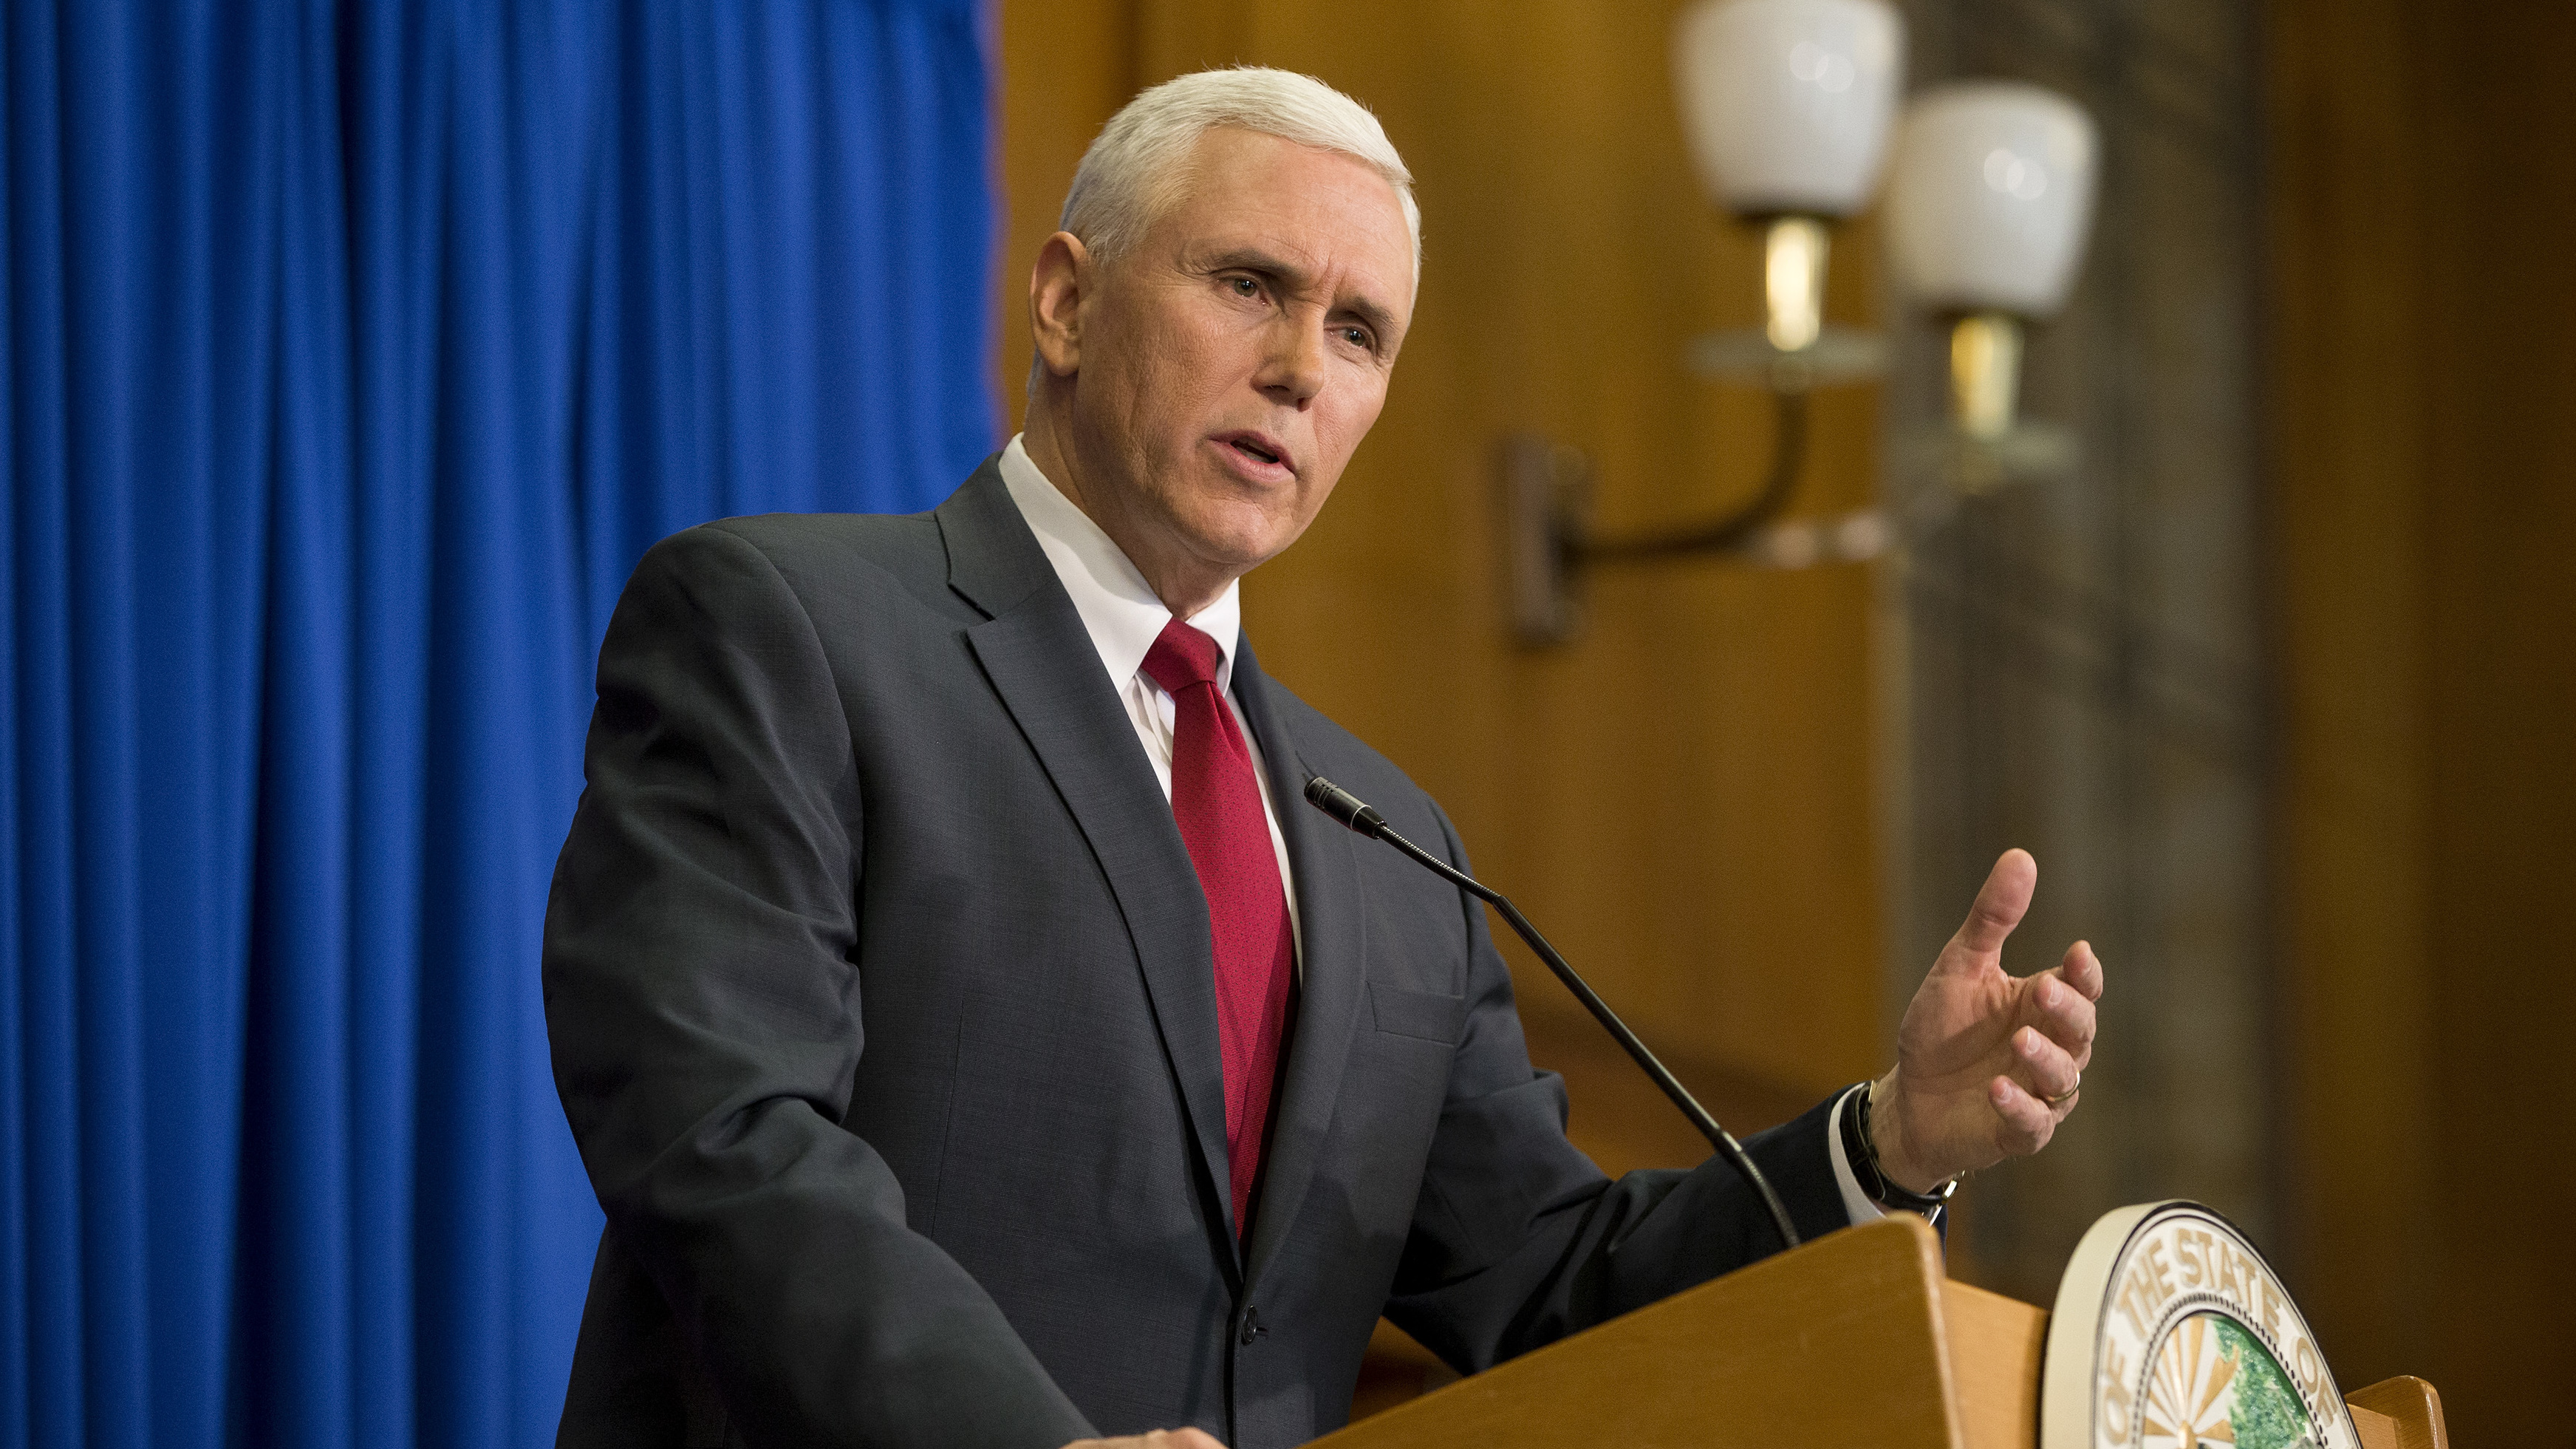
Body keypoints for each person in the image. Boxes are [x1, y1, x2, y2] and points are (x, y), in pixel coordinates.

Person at [541, 67, 2102, 1449]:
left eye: (1358, 332)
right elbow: (722, 1135)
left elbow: (1552, 1283)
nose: (1301, 365)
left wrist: (1887, 1142)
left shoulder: (1379, 840)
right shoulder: (790, 631)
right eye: (1248, 284)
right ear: (1066, 302)